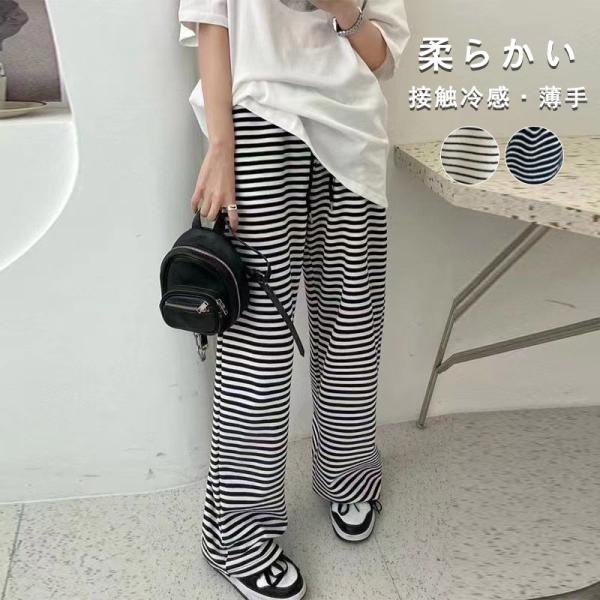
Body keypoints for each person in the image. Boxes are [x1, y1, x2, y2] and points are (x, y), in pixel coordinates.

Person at [177, 1, 410, 598]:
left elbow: (381, 55)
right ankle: (234, 533)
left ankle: (350, 476)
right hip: (258, 121)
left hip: (353, 130)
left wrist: (339, 7)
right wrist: (220, 144)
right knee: (257, 342)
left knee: (352, 325)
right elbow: (211, 20)